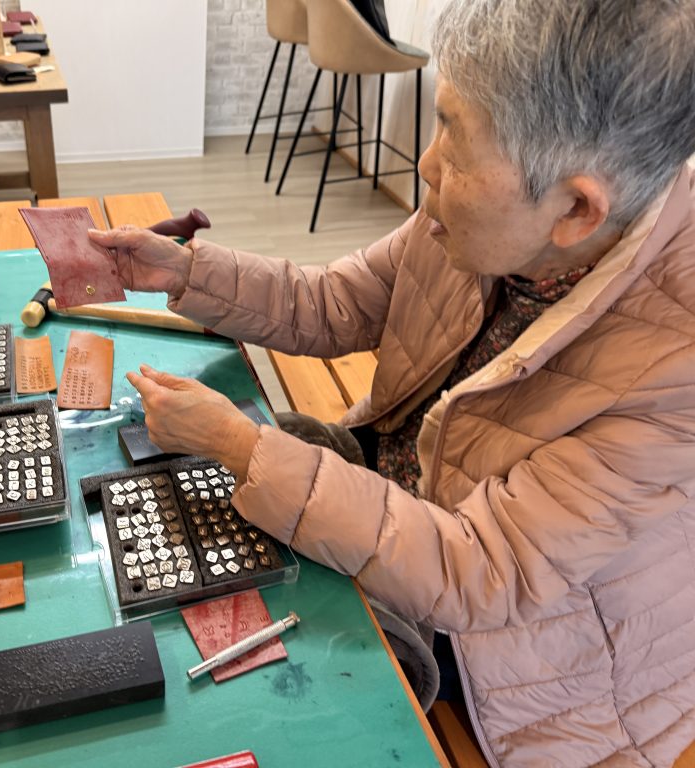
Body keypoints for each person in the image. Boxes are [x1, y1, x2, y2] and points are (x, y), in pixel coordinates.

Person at [88, 0, 695, 765]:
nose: (428, 167)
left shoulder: (673, 365)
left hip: (520, 656)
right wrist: (186, 272)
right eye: (440, 120)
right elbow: (334, 303)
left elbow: (478, 573)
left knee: (248, 701)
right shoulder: (486, 218)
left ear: (575, 208)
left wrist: (243, 448)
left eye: (456, 142)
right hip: (400, 501)